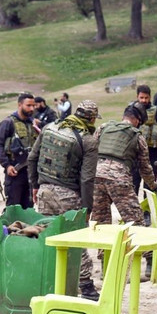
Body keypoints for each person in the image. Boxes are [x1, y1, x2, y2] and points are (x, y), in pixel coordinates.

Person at [28, 100, 100, 299]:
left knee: (45, 237)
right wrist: (87, 209)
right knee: (76, 241)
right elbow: (87, 178)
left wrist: (35, 185)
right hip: (68, 195)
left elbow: (32, 158)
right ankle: (86, 286)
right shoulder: (88, 141)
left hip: (44, 191)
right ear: (92, 118)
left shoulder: (49, 128)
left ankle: (45, 283)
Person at [94, 102, 155, 227]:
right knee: (136, 222)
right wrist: (153, 185)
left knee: (101, 223)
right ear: (138, 121)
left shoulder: (103, 127)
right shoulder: (137, 137)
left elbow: (90, 151)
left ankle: (104, 247)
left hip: (96, 176)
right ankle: (139, 246)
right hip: (118, 179)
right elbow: (145, 168)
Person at [0, 93, 38, 209]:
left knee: (29, 209)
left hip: (30, 174)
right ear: (20, 105)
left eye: (33, 106)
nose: (32, 109)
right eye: (28, 105)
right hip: (15, 172)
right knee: (13, 209)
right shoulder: (8, 123)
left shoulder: (32, 124)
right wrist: (7, 166)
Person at [134, 85, 157, 188]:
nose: (144, 100)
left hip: (152, 152)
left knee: (150, 185)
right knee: (134, 183)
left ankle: (149, 204)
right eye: (141, 97)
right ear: (137, 96)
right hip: (135, 153)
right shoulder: (132, 110)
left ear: (150, 97)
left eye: (146, 98)